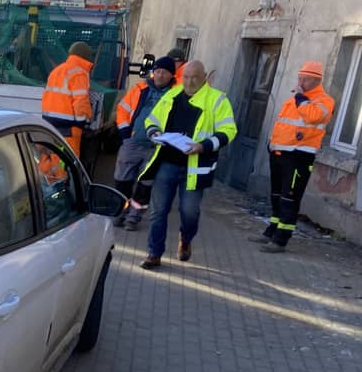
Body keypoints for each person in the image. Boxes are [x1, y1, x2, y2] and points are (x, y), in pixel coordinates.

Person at [136, 60, 237, 269]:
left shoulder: (217, 99)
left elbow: (228, 131)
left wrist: (204, 146)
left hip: (195, 167)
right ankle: (154, 253)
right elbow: (152, 119)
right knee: (158, 211)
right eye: (186, 77)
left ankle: (186, 237)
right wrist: (154, 132)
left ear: (204, 77)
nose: (189, 82)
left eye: (195, 78)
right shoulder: (171, 95)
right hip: (167, 162)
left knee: (189, 212)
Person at [252, 60, 335, 253]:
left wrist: (300, 98)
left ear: (316, 80)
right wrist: (272, 144)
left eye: (305, 79)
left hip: (299, 157)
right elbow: (283, 124)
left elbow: (313, 116)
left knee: (289, 199)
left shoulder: (324, 101)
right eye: (300, 78)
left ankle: (281, 240)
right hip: (279, 153)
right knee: (276, 196)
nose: (300, 82)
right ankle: (271, 231)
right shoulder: (296, 99)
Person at [112, 56, 177, 229]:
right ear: (153, 72)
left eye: (165, 72)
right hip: (132, 143)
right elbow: (122, 109)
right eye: (158, 71)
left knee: (145, 185)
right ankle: (119, 213)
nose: (160, 75)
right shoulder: (139, 89)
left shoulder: (176, 95)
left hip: (156, 148)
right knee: (122, 181)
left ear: (172, 75)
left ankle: (133, 219)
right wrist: (125, 132)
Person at [41, 41, 94, 156]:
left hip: (49, 122)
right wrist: (81, 122)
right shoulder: (79, 73)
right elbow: (80, 101)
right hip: (69, 126)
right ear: (85, 56)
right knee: (69, 157)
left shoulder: (57, 70)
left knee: (51, 155)